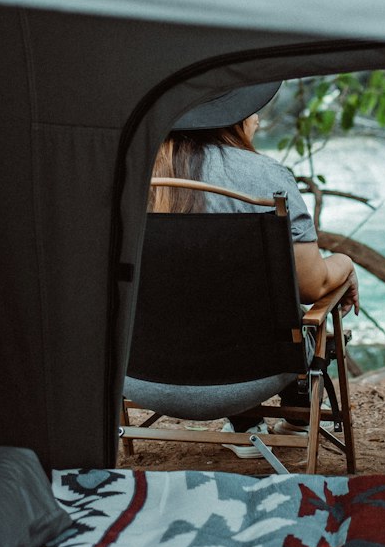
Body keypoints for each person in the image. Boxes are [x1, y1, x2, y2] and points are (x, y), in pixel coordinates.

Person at [147, 82, 359, 440]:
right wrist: (345, 263)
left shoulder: (132, 175)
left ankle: (246, 424)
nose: (257, 118)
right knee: (288, 319)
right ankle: (293, 413)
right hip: (250, 378)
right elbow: (313, 286)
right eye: (250, 108)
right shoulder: (265, 178)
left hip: (142, 378)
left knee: (200, 297)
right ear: (230, 120)